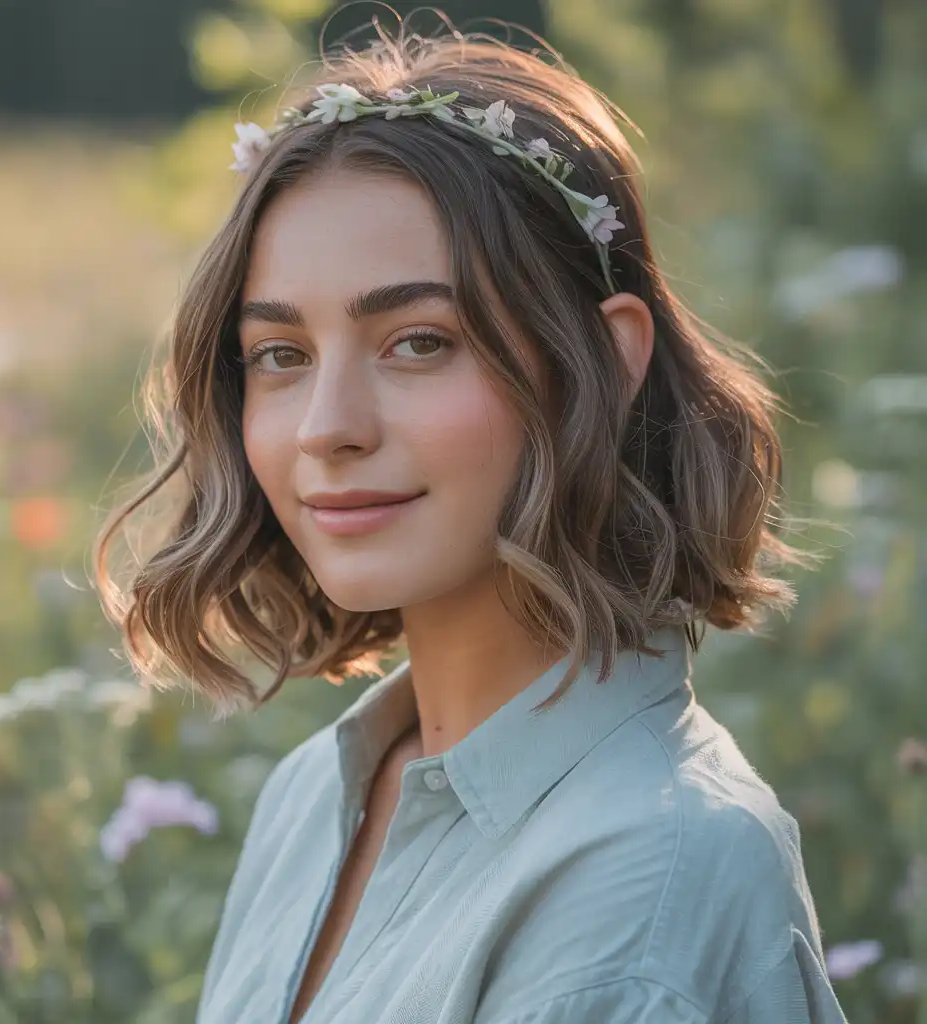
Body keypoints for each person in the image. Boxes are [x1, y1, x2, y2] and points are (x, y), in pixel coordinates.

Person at [92, 20, 850, 1024]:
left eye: (417, 342)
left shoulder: (650, 876)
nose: (328, 429)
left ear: (605, 358)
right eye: (279, 354)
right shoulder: (312, 796)